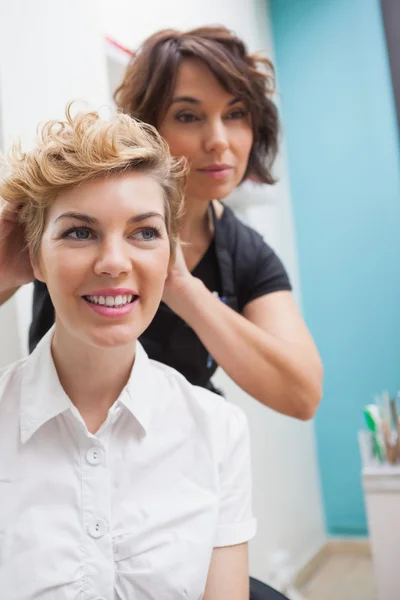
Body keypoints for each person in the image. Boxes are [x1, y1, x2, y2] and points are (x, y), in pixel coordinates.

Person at [0, 26, 323, 421]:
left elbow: (301, 395)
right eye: (188, 116)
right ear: (145, 127)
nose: (219, 140)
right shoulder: (67, 205)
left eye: (236, 114)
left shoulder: (246, 253)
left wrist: (184, 290)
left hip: (179, 457)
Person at [0, 105, 257, 599]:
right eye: (80, 232)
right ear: (35, 255)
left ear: (169, 254)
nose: (115, 263)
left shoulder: (218, 430)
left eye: (144, 232)